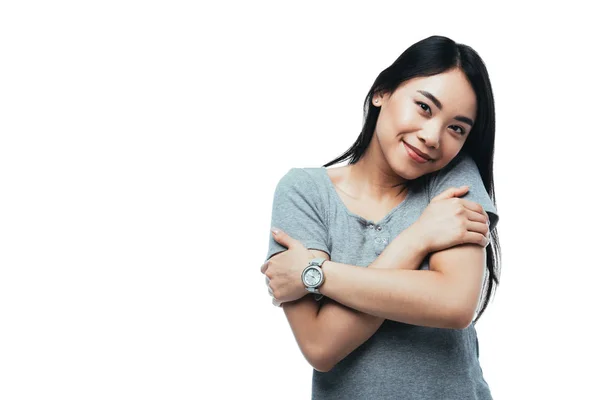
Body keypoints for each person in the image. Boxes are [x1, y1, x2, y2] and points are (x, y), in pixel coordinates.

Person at [260, 35, 501, 400]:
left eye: (457, 128)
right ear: (382, 92)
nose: (433, 137)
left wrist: (315, 275)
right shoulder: (304, 192)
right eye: (424, 107)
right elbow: (322, 346)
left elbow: (453, 304)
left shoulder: (454, 179)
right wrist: (418, 239)